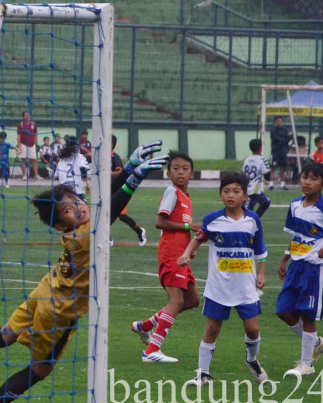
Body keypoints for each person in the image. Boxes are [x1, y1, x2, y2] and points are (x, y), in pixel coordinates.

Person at [0, 143, 169, 403]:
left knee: (5, 334)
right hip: (58, 311)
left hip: (45, 289)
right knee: (41, 369)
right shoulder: (84, 235)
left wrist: (128, 169)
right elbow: (110, 211)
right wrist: (134, 179)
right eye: (68, 211)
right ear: (60, 226)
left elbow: (104, 205)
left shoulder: (82, 223)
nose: (78, 209)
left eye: (77, 202)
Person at [178, 171, 268, 386]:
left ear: (245, 196)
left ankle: (252, 360)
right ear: (220, 195)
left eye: (236, 191)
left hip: (245, 286)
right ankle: (203, 374)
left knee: (252, 329)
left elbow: (260, 250)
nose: (231, 195)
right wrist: (186, 253)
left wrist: (262, 273)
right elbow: (198, 238)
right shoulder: (212, 220)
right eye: (226, 191)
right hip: (219, 285)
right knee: (212, 328)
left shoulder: (252, 220)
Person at [277, 161, 323, 377]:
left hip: (314, 270)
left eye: (313, 179)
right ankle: (317, 343)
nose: (307, 182)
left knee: (308, 316)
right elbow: (296, 235)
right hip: (296, 267)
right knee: (283, 311)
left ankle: (306, 364)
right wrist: (284, 259)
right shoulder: (295, 205)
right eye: (304, 177)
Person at [131, 151, 200, 363]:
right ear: (168, 174)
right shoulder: (172, 193)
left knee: (192, 300)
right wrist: (191, 226)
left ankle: (145, 326)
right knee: (177, 300)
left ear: (192, 174)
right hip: (171, 255)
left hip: (181, 256)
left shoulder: (186, 197)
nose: (180, 172)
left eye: (185, 169)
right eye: (176, 169)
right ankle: (152, 350)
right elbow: (160, 222)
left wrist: (190, 248)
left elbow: (179, 228)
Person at [111, 135, 148, 246]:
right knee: (104, 214)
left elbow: (119, 172)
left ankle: (140, 231)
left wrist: (106, 173)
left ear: (112, 144)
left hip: (118, 190)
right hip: (106, 191)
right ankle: (106, 238)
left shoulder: (114, 157)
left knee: (122, 216)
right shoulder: (101, 157)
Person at [242, 138, 272, 217]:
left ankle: (255, 219)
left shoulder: (247, 159)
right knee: (247, 211)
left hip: (253, 189)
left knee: (266, 202)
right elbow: (267, 176)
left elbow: (243, 173)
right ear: (261, 148)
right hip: (251, 191)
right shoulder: (262, 160)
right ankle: (250, 222)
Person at [54, 136, 90, 200]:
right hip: (77, 192)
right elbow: (83, 170)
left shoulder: (61, 160)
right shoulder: (80, 157)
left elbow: (56, 176)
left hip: (64, 193)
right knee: (84, 208)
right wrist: (87, 184)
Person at [16, 111, 42, 180]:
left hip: (32, 144)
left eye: (28, 115)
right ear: (23, 117)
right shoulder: (20, 125)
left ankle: (36, 175)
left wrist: (36, 143)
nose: (27, 117)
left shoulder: (33, 124)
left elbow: (35, 134)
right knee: (23, 159)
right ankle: (24, 175)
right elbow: (18, 136)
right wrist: (19, 146)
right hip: (23, 144)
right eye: (26, 115)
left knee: (34, 160)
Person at [269, 116, 290, 190]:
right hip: (275, 151)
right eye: (278, 121)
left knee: (283, 168)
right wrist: (282, 140)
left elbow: (288, 138)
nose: (279, 123)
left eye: (280, 121)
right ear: (275, 122)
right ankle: (271, 184)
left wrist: (284, 142)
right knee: (273, 167)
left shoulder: (285, 130)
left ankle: (282, 184)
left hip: (283, 151)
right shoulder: (273, 130)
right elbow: (275, 138)